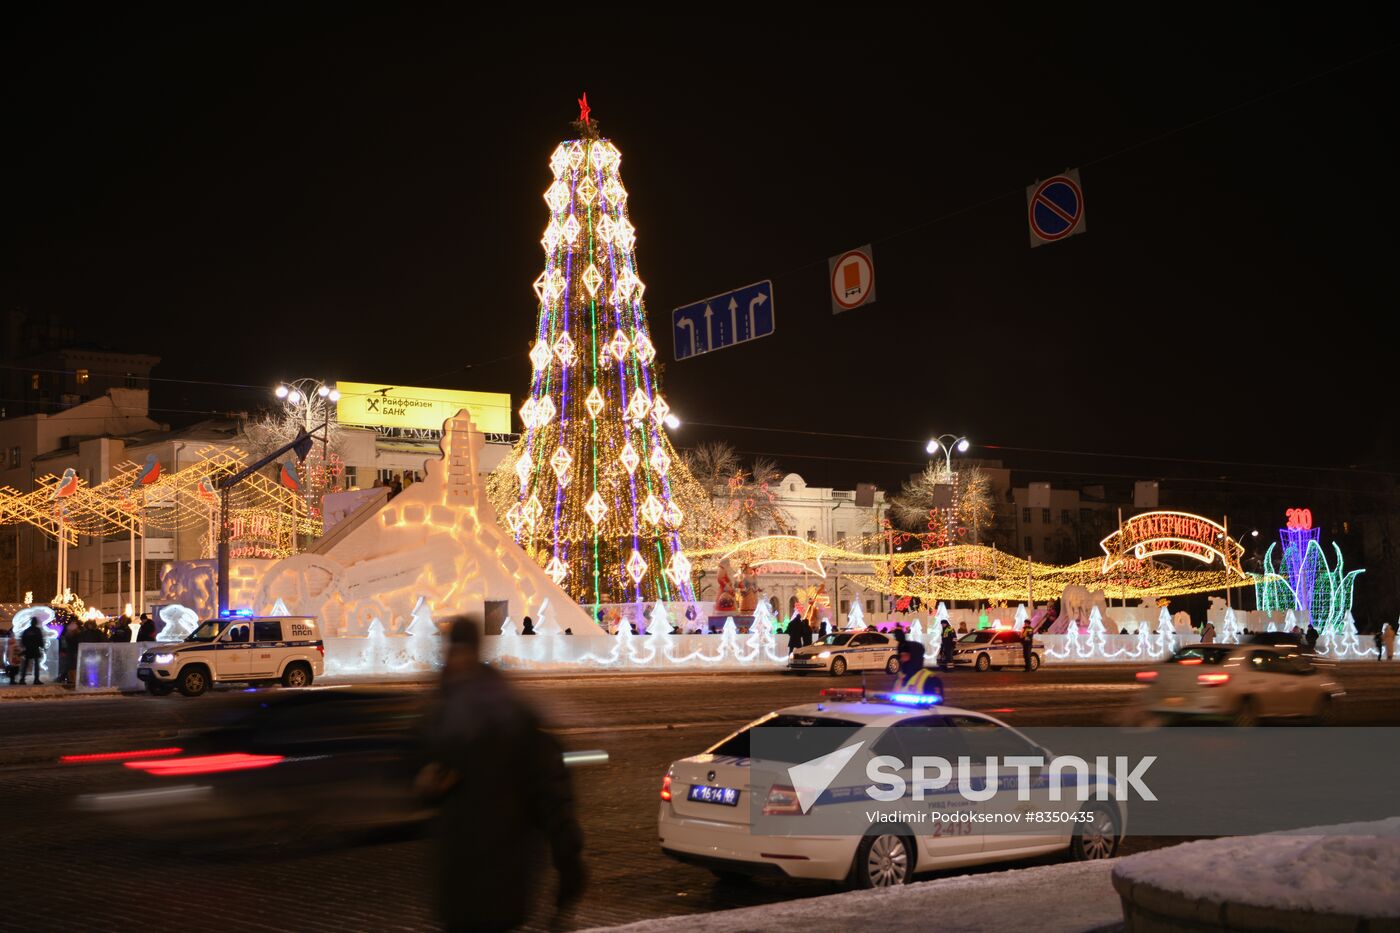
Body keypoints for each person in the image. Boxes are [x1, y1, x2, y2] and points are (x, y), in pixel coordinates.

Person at [419, 615, 585, 931]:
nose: (456, 661)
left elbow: (552, 800)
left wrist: (569, 870)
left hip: (498, 884)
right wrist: (425, 783)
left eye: (461, 652)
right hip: (463, 888)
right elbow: (411, 775)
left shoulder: (506, 719)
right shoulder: (440, 717)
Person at [19, 618, 45, 685]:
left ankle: (22, 679)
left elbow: (23, 640)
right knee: (36, 664)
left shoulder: (27, 631)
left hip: (28, 649)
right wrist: (42, 646)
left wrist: (25, 646)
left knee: (25, 664)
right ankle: (36, 679)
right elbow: (40, 639)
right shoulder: (37, 630)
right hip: (35, 649)